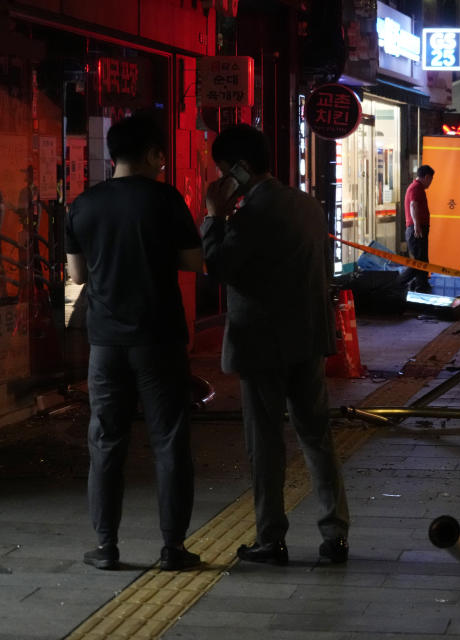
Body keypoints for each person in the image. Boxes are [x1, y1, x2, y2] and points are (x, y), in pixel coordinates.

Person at [201, 125, 349, 566]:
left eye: (225, 171)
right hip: (308, 338)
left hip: (262, 345)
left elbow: (218, 266)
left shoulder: (248, 216)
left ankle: (271, 537)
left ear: (239, 169)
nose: (223, 179)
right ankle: (335, 533)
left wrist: (213, 215)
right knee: (317, 437)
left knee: (264, 443)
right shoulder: (308, 205)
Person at [65, 114, 203, 571]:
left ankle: (105, 547)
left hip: (105, 342)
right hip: (158, 337)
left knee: (106, 442)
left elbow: (77, 276)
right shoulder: (166, 199)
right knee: (169, 441)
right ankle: (173, 548)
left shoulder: (84, 204)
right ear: (149, 153)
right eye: (161, 153)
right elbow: (192, 262)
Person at [397, 165, 434, 292]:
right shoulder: (416, 187)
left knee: (423, 261)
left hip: (418, 229)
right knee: (418, 263)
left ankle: (422, 287)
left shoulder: (417, 188)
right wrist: (417, 225)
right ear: (427, 177)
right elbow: (413, 205)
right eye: (431, 180)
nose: (430, 183)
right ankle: (397, 283)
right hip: (416, 230)